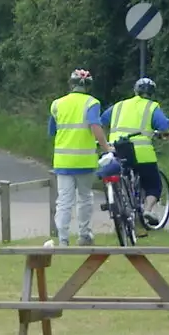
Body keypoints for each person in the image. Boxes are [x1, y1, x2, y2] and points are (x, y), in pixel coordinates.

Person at [48, 69, 109, 246]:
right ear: (88, 86)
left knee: (64, 201)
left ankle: (63, 239)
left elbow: (52, 131)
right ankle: (84, 234)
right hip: (84, 161)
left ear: (71, 84)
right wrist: (105, 147)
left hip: (63, 161)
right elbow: (95, 127)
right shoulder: (92, 103)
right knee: (85, 198)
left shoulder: (57, 104)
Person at [103, 77, 169, 223]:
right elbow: (164, 126)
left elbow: (102, 119)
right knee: (154, 185)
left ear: (135, 91)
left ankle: (120, 204)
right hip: (141, 153)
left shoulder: (119, 105)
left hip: (117, 149)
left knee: (122, 175)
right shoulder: (151, 106)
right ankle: (147, 210)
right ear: (152, 93)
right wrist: (163, 134)